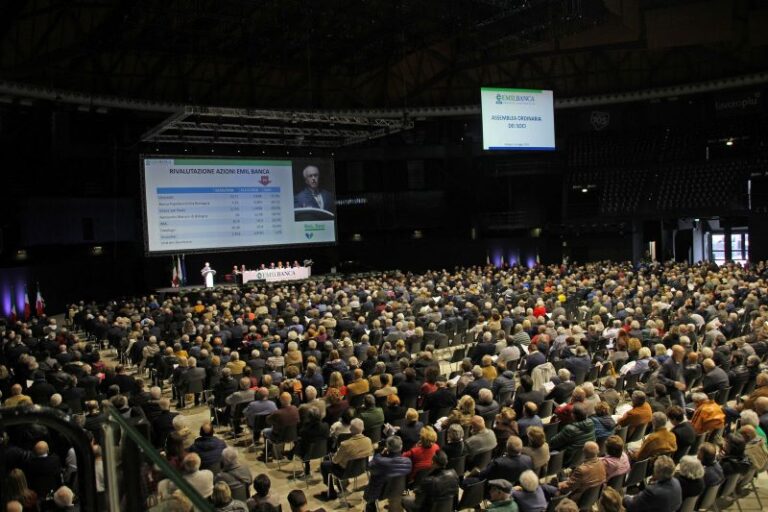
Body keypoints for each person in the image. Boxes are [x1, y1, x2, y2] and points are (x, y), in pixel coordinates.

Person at [316, 418, 374, 501]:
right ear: (363, 428)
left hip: (345, 472)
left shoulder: (345, 444)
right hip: (362, 469)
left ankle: (331, 491)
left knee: (324, 464)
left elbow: (335, 461)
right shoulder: (368, 440)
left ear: (350, 430)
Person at [364, 436, 413, 512]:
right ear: (401, 446)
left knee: (372, 483)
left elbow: (369, 468)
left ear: (387, 447)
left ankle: (370, 506)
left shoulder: (379, 460)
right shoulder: (407, 461)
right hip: (396, 491)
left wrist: (380, 455)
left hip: (378, 493)